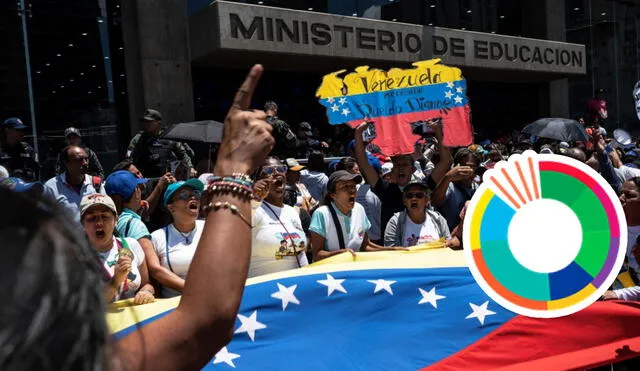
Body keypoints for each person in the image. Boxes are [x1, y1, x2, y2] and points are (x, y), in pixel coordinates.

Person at [0, 64, 274, 370]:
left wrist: (144, 288)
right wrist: (234, 170)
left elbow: (158, 291)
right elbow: (202, 325)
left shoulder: (128, 245)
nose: (43, 228)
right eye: (18, 230)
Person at [353, 121, 452, 234]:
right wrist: (358, 132)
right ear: (392, 169)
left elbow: (446, 161)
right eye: (397, 165)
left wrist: (438, 131)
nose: (400, 168)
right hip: (394, 248)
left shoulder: (423, 187)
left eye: (405, 165)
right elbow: (363, 164)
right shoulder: (385, 189)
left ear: (413, 170)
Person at [310, 170, 403, 262]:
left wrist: (391, 250)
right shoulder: (322, 214)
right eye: (345, 187)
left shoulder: (359, 209)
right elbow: (317, 255)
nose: (351, 191)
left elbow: (365, 246)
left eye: (353, 186)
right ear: (333, 195)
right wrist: (340, 254)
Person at [80, 193, 155, 304]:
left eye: (105, 216)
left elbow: (147, 284)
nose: (99, 223)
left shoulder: (131, 244)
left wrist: (147, 292)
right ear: (83, 225)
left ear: (115, 220)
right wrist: (116, 280)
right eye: (91, 218)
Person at [251, 157, 308, 277]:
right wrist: (254, 199)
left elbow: (301, 255)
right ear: (258, 180)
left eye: (281, 169)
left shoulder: (292, 212)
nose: (277, 173)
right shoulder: (253, 209)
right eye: (269, 171)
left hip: (291, 289)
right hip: (261, 288)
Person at [148, 179, 205, 298]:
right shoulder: (157, 237)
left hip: (211, 300)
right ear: (171, 208)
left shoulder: (210, 228)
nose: (193, 198)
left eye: (196, 193)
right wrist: (193, 291)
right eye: (184, 195)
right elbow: (156, 271)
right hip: (174, 305)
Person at [384, 181, 459, 248]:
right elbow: (391, 251)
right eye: (409, 195)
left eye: (419, 195)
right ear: (405, 201)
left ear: (426, 200)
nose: (414, 199)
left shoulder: (438, 220)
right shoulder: (395, 222)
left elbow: (448, 246)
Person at [126, 108, 195, 178]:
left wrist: (190, 167)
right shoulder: (138, 139)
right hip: (146, 179)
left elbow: (182, 155)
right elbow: (129, 159)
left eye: (150, 122)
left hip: (167, 178)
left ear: (158, 122)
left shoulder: (169, 137)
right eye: (145, 122)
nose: (146, 124)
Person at [43, 145, 105, 222]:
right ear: (66, 163)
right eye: (79, 160)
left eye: (86, 159)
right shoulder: (51, 187)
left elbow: (106, 212)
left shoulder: (96, 184)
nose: (85, 163)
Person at [431, 148, 480, 231]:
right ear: (456, 166)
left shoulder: (477, 188)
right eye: (465, 166)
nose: (468, 170)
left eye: (472, 167)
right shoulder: (448, 186)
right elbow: (435, 202)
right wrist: (447, 178)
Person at [0, 117, 39, 181]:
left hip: (25, 187)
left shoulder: (27, 149)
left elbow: (36, 171)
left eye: (22, 130)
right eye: (17, 130)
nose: (21, 133)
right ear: (7, 130)